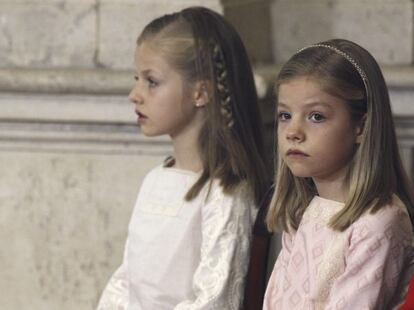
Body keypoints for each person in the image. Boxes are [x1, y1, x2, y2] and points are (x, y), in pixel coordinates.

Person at [96, 6, 269, 310]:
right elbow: (127, 279)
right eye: (137, 78)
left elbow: (214, 299)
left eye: (152, 81)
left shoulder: (225, 192)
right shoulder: (155, 179)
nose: (134, 94)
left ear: (201, 93)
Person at [263, 39, 414, 309]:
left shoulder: (379, 221)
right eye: (285, 115)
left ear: (361, 126)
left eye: (316, 117)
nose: (292, 132)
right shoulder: (301, 211)